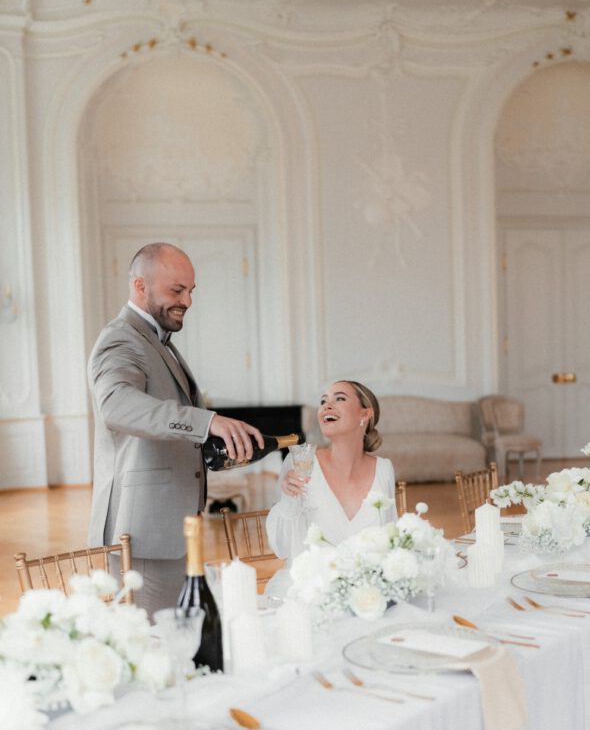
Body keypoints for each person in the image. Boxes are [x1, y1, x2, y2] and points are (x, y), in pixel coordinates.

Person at [88, 242, 264, 615]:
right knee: (153, 642)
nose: (187, 301)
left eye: (190, 291)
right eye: (176, 290)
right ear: (140, 286)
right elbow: (117, 406)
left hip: (170, 526)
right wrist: (207, 421)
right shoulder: (121, 337)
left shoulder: (158, 341)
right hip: (143, 532)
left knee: (176, 637)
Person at [266, 380, 396, 585]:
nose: (326, 405)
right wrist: (289, 499)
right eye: (323, 401)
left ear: (365, 414)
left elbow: (390, 540)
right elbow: (280, 548)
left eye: (340, 398)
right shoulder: (301, 462)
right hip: (309, 588)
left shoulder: (384, 469)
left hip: (367, 589)